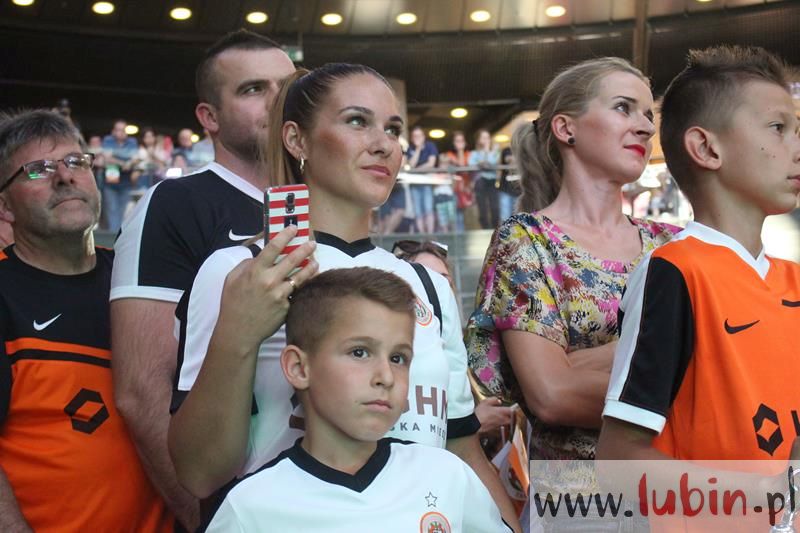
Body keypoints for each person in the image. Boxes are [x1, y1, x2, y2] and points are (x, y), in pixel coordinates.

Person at [168, 63, 521, 531]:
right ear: (296, 140)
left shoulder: (430, 287)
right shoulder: (239, 272)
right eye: (357, 121)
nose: (384, 144)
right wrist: (237, 331)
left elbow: (460, 451)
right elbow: (199, 473)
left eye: (393, 129)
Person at [109, 29, 296, 531]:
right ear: (209, 117)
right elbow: (142, 390)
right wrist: (210, 520)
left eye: (287, 86)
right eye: (253, 89)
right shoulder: (172, 205)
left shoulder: (324, 200)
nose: (277, 100)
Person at [465, 57, 678, 467]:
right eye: (623, 107)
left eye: (648, 115)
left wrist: (582, 362)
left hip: (684, 491)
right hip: (581, 496)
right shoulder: (527, 239)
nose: (646, 127)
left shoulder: (671, 242)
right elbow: (553, 396)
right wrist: (673, 364)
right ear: (566, 128)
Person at [599, 46, 800, 462]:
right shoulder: (675, 272)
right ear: (706, 149)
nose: (796, 147)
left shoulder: (793, 278)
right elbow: (619, 459)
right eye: (778, 128)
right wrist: (774, 490)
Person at [205, 267, 511, 532]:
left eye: (398, 358)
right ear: (299, 368)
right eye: (360, 352)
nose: (386, 376)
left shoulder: (447, 477)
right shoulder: (249, 508)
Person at [0, 109, 172, 531]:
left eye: (75, 161)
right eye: (38, 169)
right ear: (4, 206)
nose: (64, 177)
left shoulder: (141, 283)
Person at [391, 239, 514, 438]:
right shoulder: (394, 355)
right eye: (425, 281)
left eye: (444, 280)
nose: (436, 288)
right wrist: (474, 424)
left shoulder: (476, 349)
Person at [101, 119, 138, 232]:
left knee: (124, 212)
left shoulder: (132, 141)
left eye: (123, 130)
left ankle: (120, 237)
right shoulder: (108, 140)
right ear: (113, 131)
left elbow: (135, 158)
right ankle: (113, 237)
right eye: (118, 130)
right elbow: (107, 158)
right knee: (112, 210)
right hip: (111, 180)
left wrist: (119, 159)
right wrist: (124, 163)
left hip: (126, 182)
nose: (120, 132)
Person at [406, 126, 438, 233]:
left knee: (428, 208)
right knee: (418, 210)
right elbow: (411, 164)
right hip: (414, 183)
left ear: (424, 137)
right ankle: (422, 234)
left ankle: (430, 234)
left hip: (427, 181)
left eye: (419, 136)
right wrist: (418, 149)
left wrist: (416, 170)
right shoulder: (410, 148)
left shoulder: (430, 146)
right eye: (415, 136)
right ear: (411, 138)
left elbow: (431, 164)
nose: (417, 138)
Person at [469, 129, 501, 229]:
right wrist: (485, 158)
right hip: (480, 181)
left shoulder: (495, 152)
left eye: (487, 138)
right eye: (483, 138)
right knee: (482, 208)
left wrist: (485, 158)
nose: (486, 140)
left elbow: (492, 163)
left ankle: (495, 230)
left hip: (492, 181)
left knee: (495, 207)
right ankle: (485, 229)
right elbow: (471, 164)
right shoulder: (474, 153)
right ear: (479, 140)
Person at [443, 131, 474, 232]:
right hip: (454, 189)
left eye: (461, 141)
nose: (460, 143)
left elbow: (463, 167)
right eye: (457, 141)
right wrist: (460, 151)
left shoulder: (469, 154)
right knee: (456, 217)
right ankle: (459, 238)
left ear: (465, 142)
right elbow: (460, 165)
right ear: (453, 143)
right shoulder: (449, 154)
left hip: (467, 190)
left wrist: (460, 151)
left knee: (468, 217)